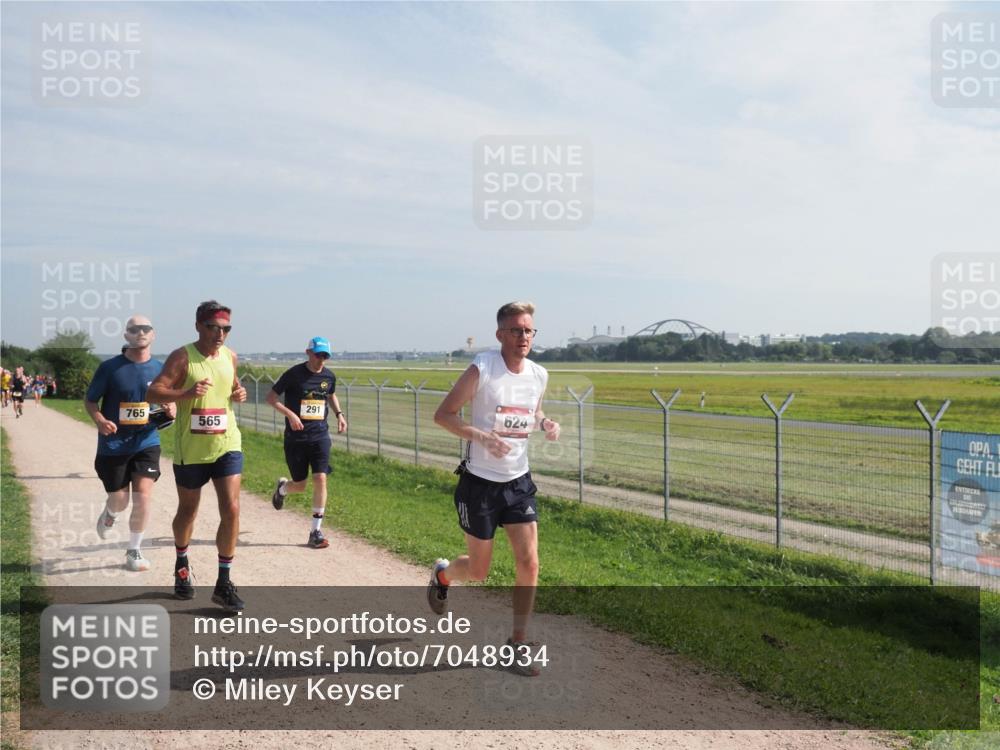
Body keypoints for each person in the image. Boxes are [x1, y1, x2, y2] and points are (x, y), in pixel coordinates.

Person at [429, 301, 560, 676]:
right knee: (480, 572)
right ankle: (442, 575)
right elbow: (444, 415)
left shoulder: (538, 374)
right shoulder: (482, 368)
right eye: (517, 330)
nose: (524, 337)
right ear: (500, 334)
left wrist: (546, 422)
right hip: (480, 485)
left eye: (530, 330)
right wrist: (481, 437)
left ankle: (517, 646)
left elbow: (531, 412)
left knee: (529, 562)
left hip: (518, 481)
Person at [147, 300, 248, 611]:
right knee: (188, 511)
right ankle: (181, 563)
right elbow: (153, 392)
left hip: (226, 443)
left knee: (231, 508)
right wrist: (186, 394)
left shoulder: (230, 357)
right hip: (191, 449)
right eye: (213, 328)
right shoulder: (182, 357)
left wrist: (238, 392)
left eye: (226, 329)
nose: (220, 334)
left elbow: (231, 385)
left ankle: (223, 582)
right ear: (198, 326)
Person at [85, 316, 175, 572]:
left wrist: (172, 409)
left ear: (153, 334)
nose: (141, 333)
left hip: (146, 440)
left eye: (146, 328)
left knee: (143, 497)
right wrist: (100, 420)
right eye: (134, 329)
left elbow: (170, 401)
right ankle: (110, 514)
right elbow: (91, 401)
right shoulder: (110, 368)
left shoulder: (161, 369)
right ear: (127, 336)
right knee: (121, 500)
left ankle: (134, 550)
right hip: (113, 444)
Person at [266, 337, 347, 549]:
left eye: (325, 356)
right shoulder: (294, 374)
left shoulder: (329, 376)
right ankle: (282, 490)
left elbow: (330, 394)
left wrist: (339, 414)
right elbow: (271, 398)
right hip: (296, 438)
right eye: (318, 354)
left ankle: (315, 531)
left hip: (320, 435)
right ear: (308, 352)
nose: (321, 359)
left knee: (321, 478)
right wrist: (291, 415)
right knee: (300, 485)